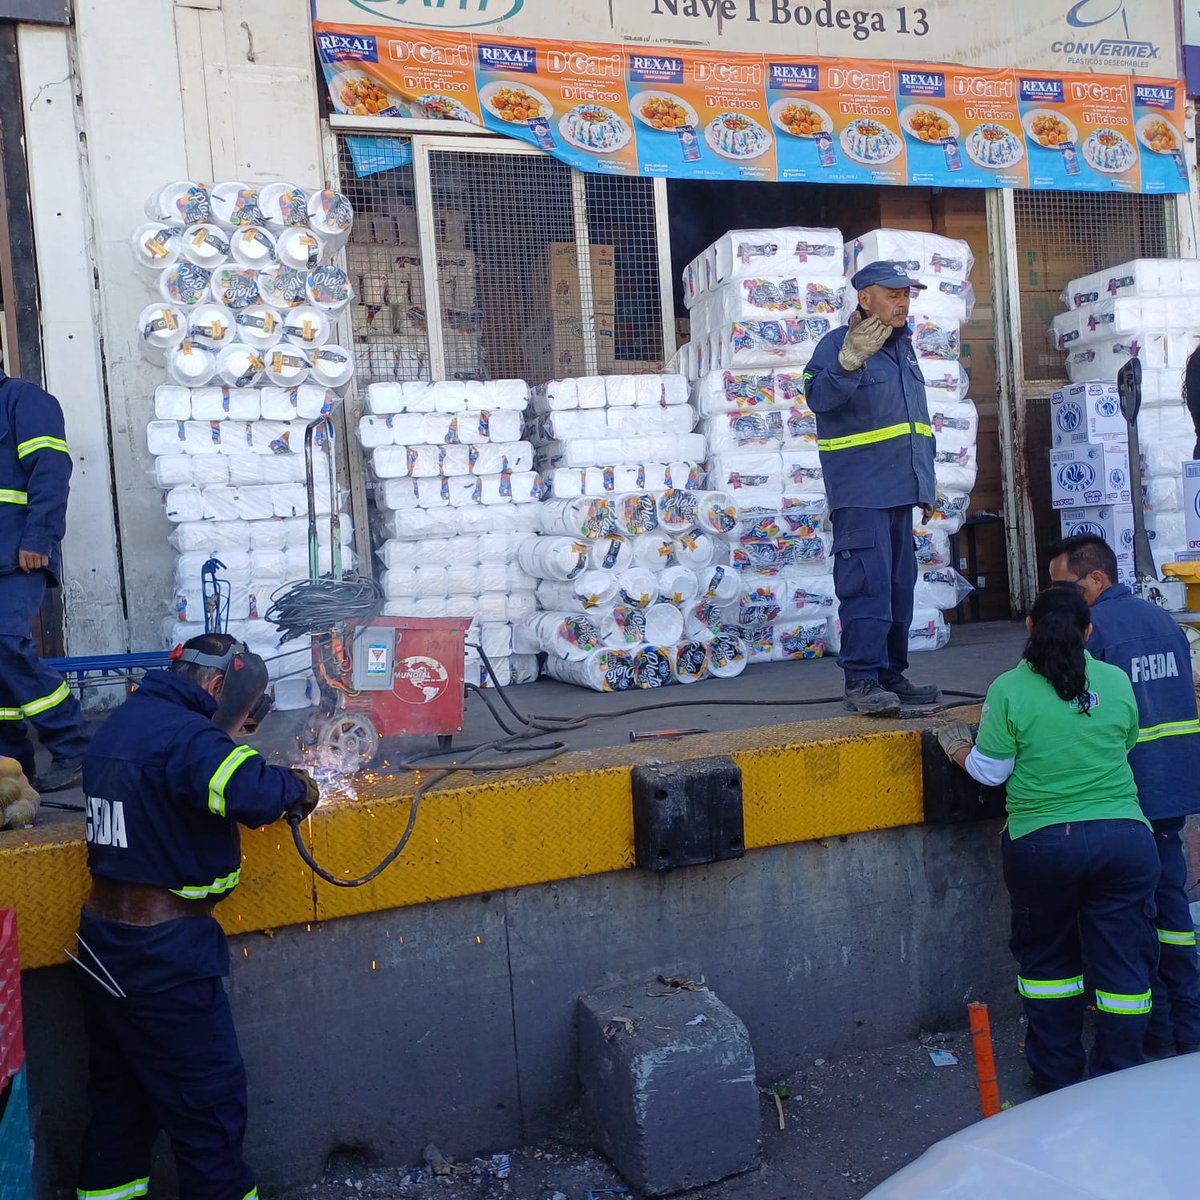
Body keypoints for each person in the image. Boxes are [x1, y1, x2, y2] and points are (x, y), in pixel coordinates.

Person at [74, 633, 319, 1200]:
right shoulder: (187, 737)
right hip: (162, 956)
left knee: (120, 1106)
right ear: (216, 686)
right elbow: (251, 791)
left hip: (103, 943)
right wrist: (296, 785)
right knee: (208, 1108)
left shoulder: (123, 723)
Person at [937, 584, 1159, 1092]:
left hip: (1043, 845)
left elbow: (990, 774)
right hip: (1125, 840)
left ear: (1030, 627)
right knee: (1124, 967)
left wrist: (955, 748)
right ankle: (1121, 1077)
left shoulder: (1009, 690)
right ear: (1088, 631)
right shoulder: (1115, 681)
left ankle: (1059, 1081)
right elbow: (1126, 744)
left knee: (1050, 968)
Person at [1049, 533, 1200, 1057]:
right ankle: (1190, 1031)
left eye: (1065, 586)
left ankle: (1157, 1042)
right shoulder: (1162, 620)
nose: (1060, 599)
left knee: (1137, 927)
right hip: (1177, 782)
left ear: (1096, 579)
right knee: (1174, 913)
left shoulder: (1095, 631)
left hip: (1131, 793)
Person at [804, 260, 939, 716]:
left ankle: (889, 675)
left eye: (907, 293)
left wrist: (926, 482)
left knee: (901, 588)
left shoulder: (904, 350)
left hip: (900, 490)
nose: (903, 301)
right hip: (861, 493)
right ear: (865, 298)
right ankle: (861, 681)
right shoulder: (836, 346)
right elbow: (818, 398)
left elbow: (916, 423)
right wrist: (847, 362)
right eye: (893, 292)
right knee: (868, 587)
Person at [0, 367, 90, 791]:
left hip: (19, 555)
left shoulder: (23, 400)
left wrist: (39, 536)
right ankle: (13, 762)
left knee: (6, 643)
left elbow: (52, 471)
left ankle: (73, 745)